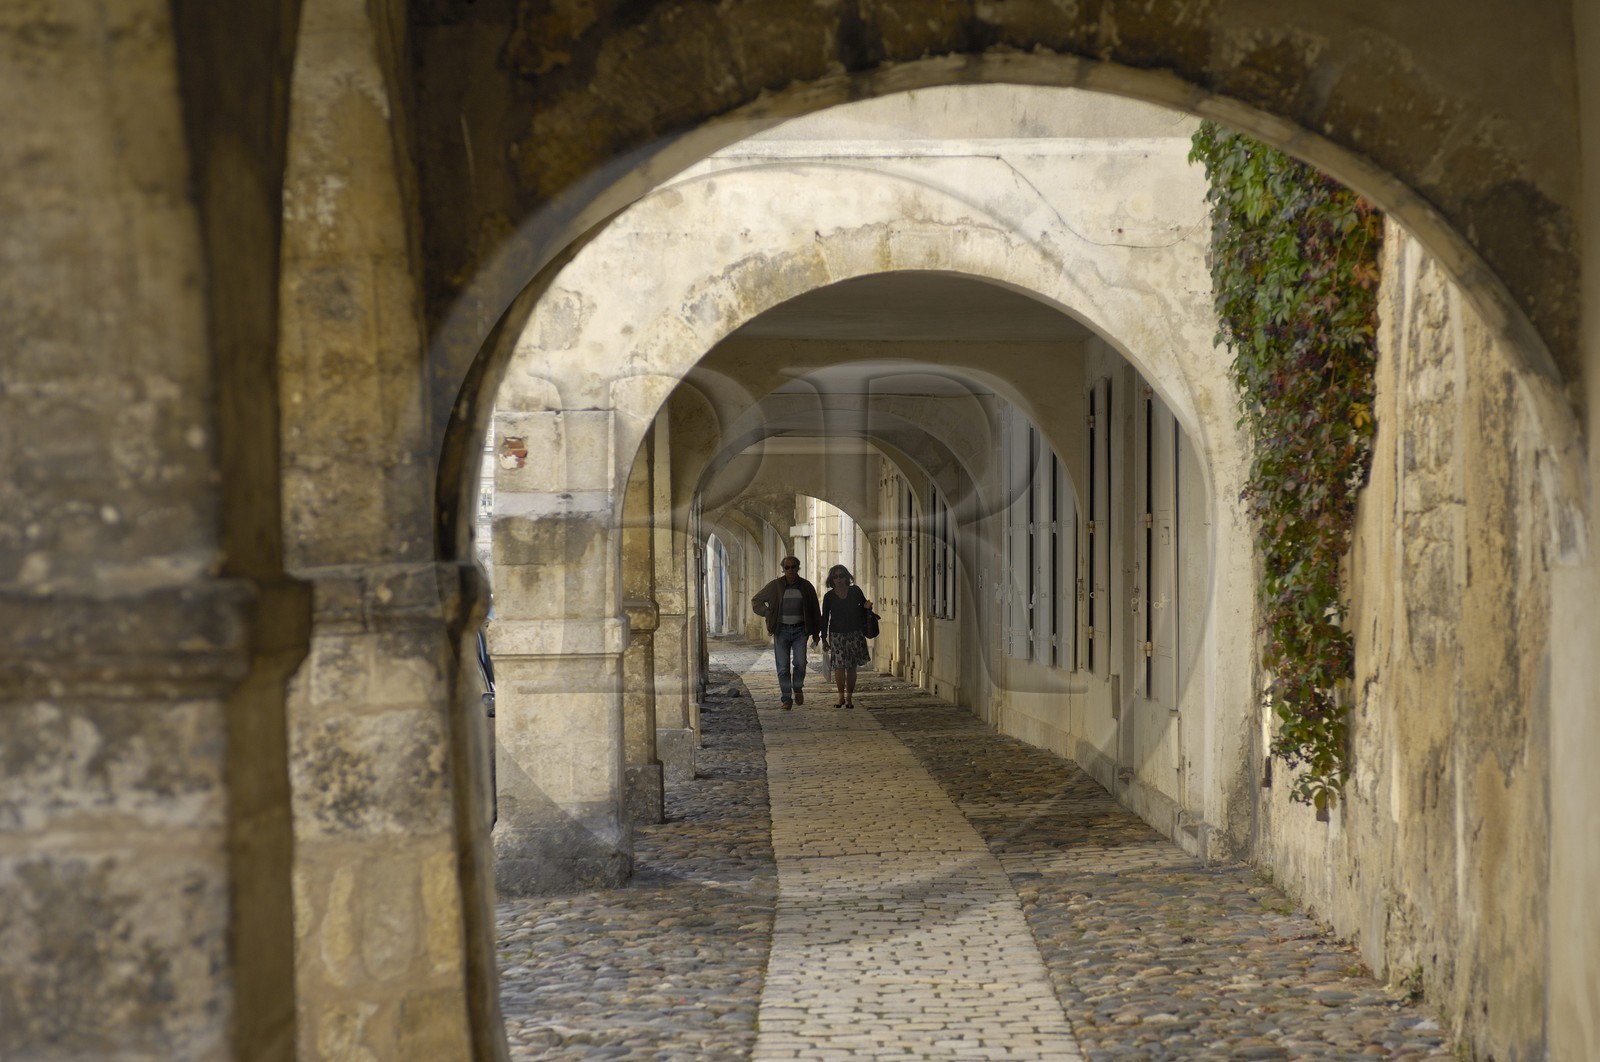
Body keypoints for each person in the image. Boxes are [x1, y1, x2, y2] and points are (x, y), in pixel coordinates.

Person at [750, 556, 821, 709]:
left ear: (798, 568)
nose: (790, 570)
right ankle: (786, 699)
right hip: (781, 630)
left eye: (793, 567)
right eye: (787, 567)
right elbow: (756, 601)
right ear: (783, 569)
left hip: (800, 630)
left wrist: (816, 632)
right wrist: (768, 612)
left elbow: (815, 610)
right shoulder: (775, 586)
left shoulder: (806, 587)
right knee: (782, 666)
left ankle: (797, 687)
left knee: (800, 663)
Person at [819, 563, 874, 709]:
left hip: (854, 633)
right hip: (837, 634)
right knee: (838, 666)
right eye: (835, 577)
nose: (838, 579)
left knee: (851, 667)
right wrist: (823, 638)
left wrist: (868, 607)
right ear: (832, 579)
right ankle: (840, 696)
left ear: (846, 577)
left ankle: (849, 697)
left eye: (841, 576)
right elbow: (825, 617)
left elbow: (864, 607)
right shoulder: (829, 596)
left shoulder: (855, 591)